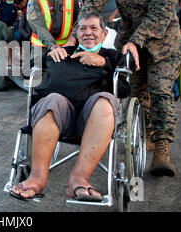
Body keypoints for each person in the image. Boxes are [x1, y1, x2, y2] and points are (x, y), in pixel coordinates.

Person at [77, 0, 181, 176]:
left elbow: (160, 14)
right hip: (129, 44)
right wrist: (80, 32)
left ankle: (161, 149)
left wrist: (136, 40)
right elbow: (92, 3)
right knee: (133, 94)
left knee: (159, 91)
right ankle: (143, 136)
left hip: (162, 44)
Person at [9, 13, 130, 202]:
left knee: (105, 100)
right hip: (57, 115)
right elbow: (29, 68)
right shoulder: (65, 51)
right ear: (77, 34)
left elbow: (123, 90)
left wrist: (104, 64)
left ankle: (78, 179)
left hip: (93, 121)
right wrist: (49, 52)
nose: (88, 33)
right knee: (53, 99)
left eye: (93, 28)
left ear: (104, 34)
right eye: (82, 29)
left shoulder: (112, 57)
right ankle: (36, 179)